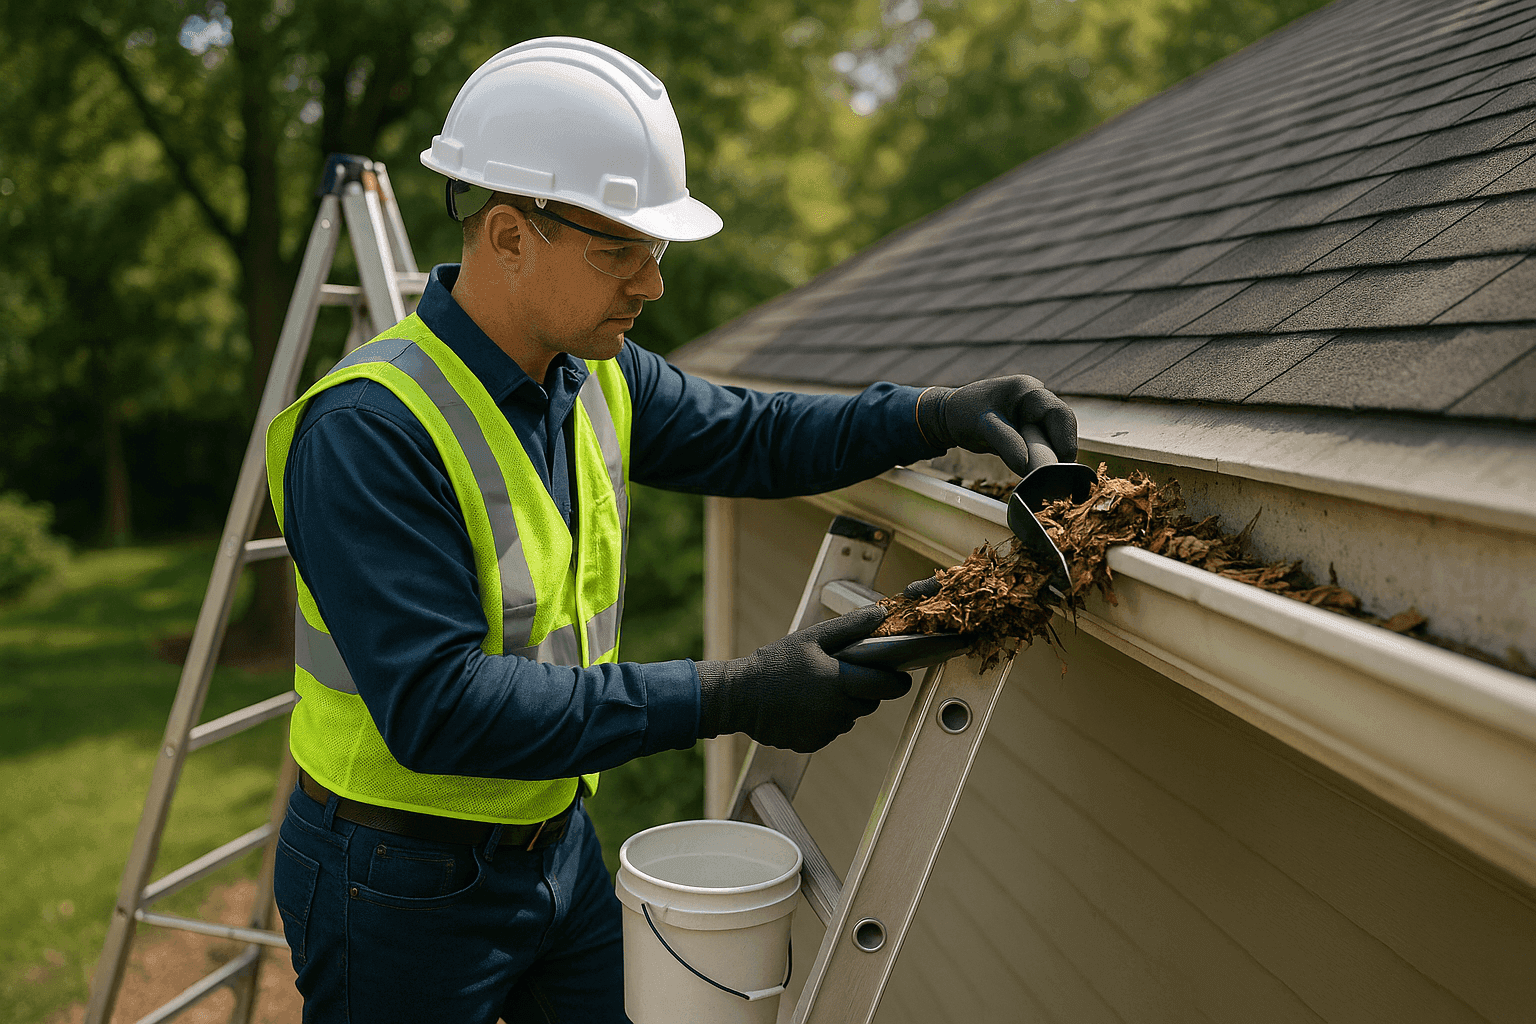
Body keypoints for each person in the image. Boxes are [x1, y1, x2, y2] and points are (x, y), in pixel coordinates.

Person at [265, 37, 1078, 1024]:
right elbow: (441, 706)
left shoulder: (590, 375)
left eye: (656, 253)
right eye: (623, 253)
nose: (651, 286)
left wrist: (929, 413)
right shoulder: (369, 431)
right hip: (394, 879)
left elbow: (752, 434)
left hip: (553, 841)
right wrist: (731, 692)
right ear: (512, 237)